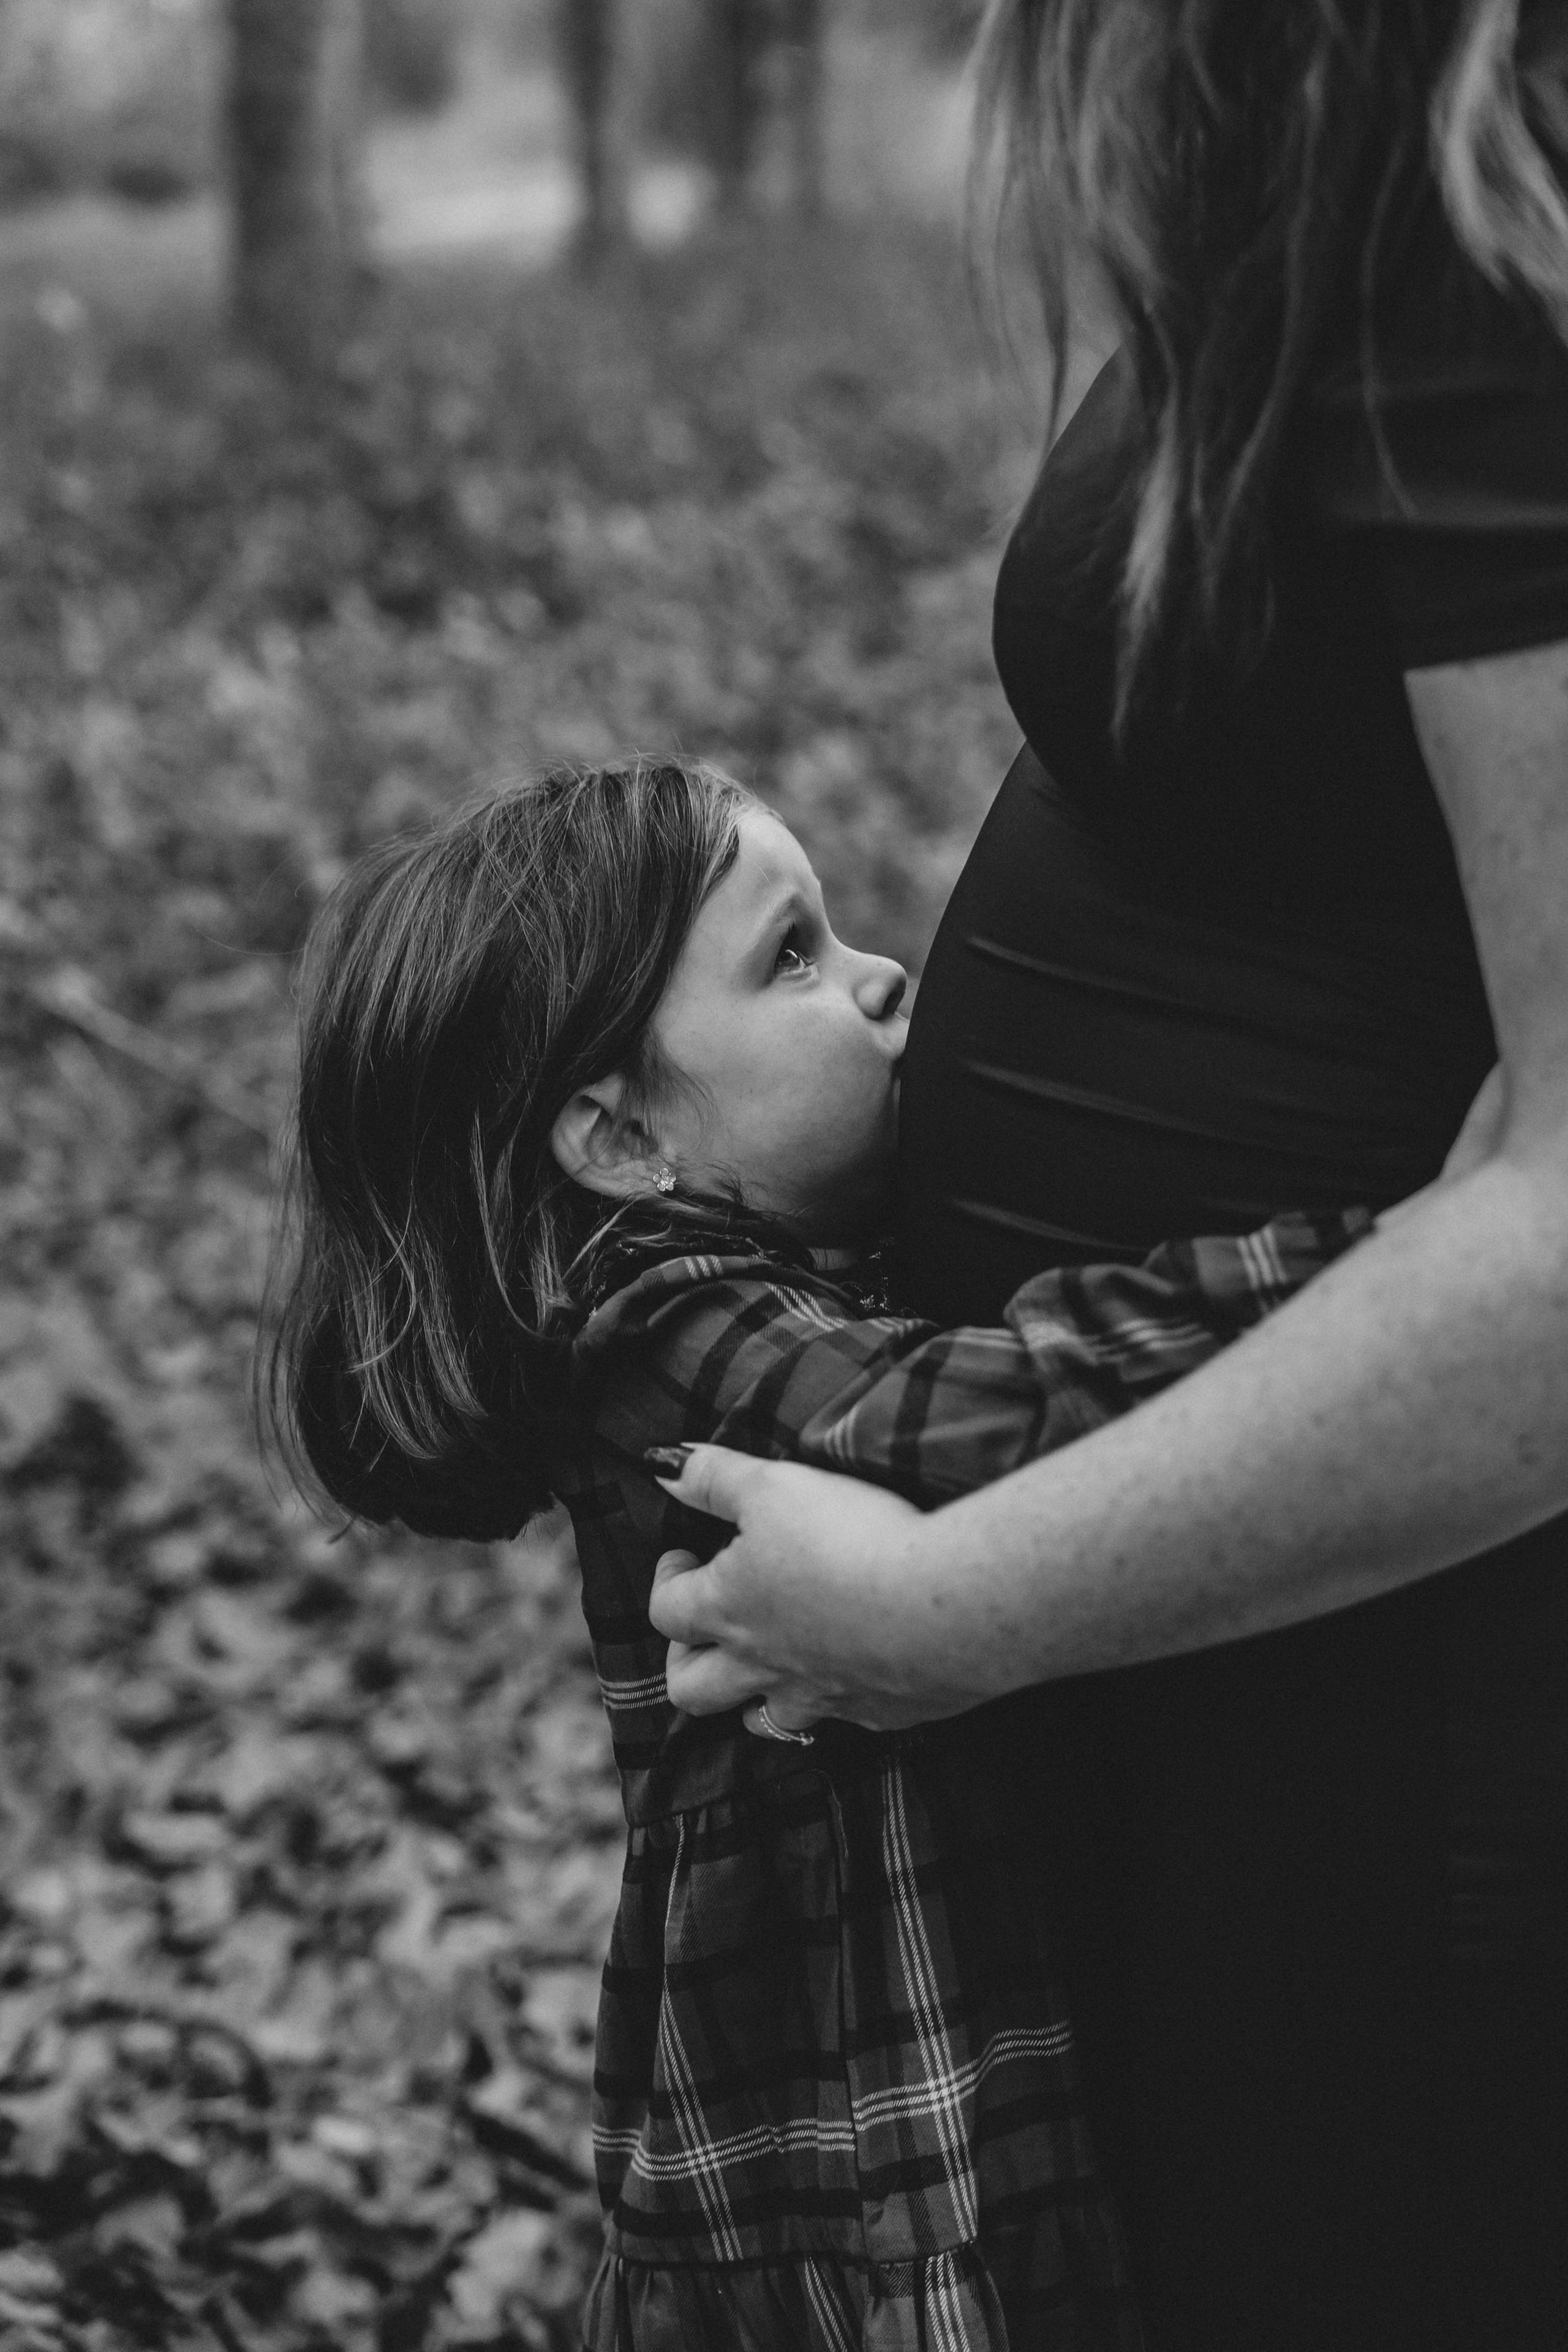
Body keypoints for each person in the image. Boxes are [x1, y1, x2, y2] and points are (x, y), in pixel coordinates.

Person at [644, 4, 1568, 2346]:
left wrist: (952, 1610)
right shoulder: (1343, 129)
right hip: (1214, 1607)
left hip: (1399, 1679)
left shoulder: (1491, 212)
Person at [265, 760, 1392, 2351]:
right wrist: (1374, 1262)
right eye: (792, 956)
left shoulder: (761, 1286)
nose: (881, 976)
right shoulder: (666, 1326)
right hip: (867, 2125)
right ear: (621, 1136)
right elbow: (971, 1419)